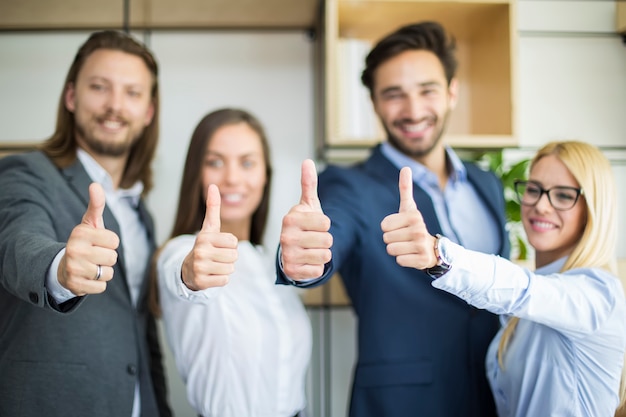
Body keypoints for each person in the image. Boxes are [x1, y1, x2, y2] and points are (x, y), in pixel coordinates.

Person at [277, 21, 509, 417]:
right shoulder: (350, 186)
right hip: (402, 405)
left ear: (452, 92)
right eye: (394, 94)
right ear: (375, 103)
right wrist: (302, 261)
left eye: (427, 90)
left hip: (499, 396)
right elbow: (333, 229)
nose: (414, 110)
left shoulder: (486, 183)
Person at [384, 140, 626, 416]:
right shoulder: (526, 310)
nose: (541, 206)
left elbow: (524, 290)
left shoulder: (599, 293)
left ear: (593, 210)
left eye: (562, 195)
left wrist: (438, 253)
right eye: (534, 190)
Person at [0, 31, 171, 417]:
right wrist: (59, 266)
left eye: (132, 92)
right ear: (72, 97)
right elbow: (16, 241)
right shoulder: (24, 173)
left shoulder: (141, 212)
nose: (115, 106)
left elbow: (141, 334)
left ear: (148, 112)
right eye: (99, 87)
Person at [155, 108, 312, 417]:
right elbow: (182, 273)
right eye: (215, 162)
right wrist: (190, 273)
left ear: (265, 174)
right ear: (196, 173)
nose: (232, 178)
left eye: (247, 162)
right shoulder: (180, 251)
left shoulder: (271, 262)